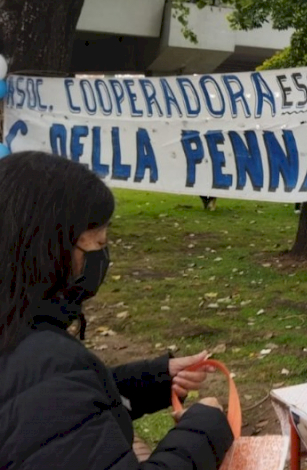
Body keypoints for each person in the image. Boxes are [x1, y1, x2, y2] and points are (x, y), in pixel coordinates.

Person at [0, 152, 233, 469]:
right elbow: (48, 401)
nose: (101, 259)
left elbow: (49, 413)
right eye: (95, 246)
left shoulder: (17, 340)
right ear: (47, 251)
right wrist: (205, 429)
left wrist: (153, 379)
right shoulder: (40, 359)